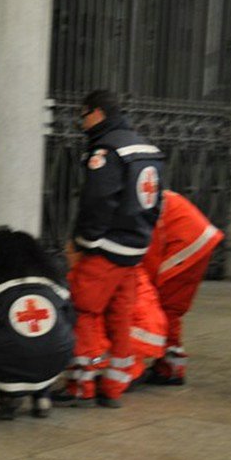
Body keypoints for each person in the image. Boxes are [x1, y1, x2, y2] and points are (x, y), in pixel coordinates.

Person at [56, 90, 164, 408]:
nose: (81, 122)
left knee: (84, 310)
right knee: (121, 316)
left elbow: (98, 201)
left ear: (98, 113)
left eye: (83, 115)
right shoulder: (147, 149)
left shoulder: (107, 150)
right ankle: (113, 387)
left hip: (105, 248)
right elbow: (157, 200)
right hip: (134, 247)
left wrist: (83, 242)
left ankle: (80, 384)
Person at [0, 228, 75, 420]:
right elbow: (70, 319)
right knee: (44, 346)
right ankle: (42, 395)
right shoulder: (55, 281)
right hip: (57, 358)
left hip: (5, 361)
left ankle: (8, 397)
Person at [139, 189, 224, 385]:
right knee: (171, 306)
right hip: (193, 239)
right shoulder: (143, 196)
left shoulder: (135, 207)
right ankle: (170, 363)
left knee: (168, 307)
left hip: (186, 243)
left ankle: (170, 367)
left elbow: (150, 262)